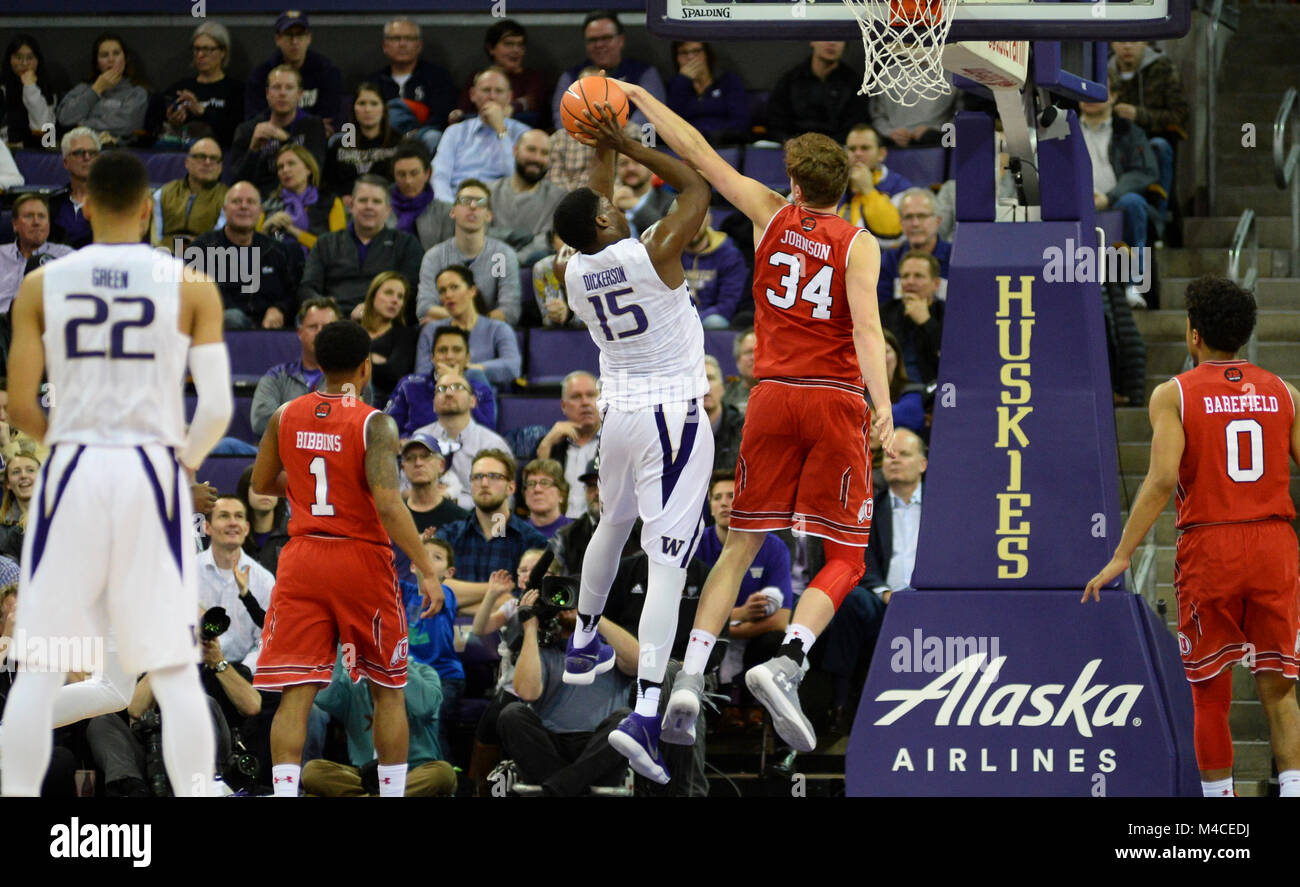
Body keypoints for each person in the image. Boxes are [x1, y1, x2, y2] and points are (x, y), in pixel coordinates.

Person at [617, 80, 896, 754]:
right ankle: (790, 659)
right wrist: (882, 405)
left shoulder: (769, 213)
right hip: (833, 399)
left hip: (770, 395)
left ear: (795, 183)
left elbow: (700, 152)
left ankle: (689, 677)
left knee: (741, 543)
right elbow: (866, 331)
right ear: (844, 189)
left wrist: (638, 98)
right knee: (848, 558)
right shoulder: (860, 244)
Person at [1, 149, 232, 796]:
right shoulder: (190, 282)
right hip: (148, 470)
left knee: (41, 670)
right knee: (175, 668)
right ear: (145, 207)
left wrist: (73, 439)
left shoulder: (43, 284)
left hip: (72, 467)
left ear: (88, 207)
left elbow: (20, 404)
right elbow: (214, 406)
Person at [1084, 276, 1300, 799]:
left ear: (1193, 334)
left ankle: (1220, 814)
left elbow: (1160, 480)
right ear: (1245, 335)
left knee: (1210, 693)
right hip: (1274, 544)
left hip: (1212, 545)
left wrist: (1121, 554)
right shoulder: (1286, 393)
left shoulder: (1173, 394)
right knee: (1279, 691)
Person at [548, 103, 714, 785]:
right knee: (668, 564)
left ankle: (585, 635)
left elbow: (595, 202)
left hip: (617, 416)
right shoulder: (655, 252)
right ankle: (646, 709)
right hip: (670, 415)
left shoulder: (571, 270)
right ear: (608, 221)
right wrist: (633, 146)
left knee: (611, 528)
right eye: (610, 207)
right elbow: (699, 187)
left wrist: (603, 146)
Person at [250, 319, 444, 798]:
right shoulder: (374, 422)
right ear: (364, 367)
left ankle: (283, 792)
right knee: (387, 688)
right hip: (359, 557)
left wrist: (307, 487)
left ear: (317, 362)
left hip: (302, 557)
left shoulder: (284, 414)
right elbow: (387, 502)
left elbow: (260, 484)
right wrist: (426, 567)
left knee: (296, 692)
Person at [499, 591, 639, 797]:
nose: (570, 605)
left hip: (600, 748)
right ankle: (570, 786)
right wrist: (530, 627)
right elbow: (527, 692)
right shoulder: (545, 651)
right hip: (550, 748)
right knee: (511, 714)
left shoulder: (610, 650)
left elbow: (638, 661)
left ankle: (556, 789)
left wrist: (593, 615)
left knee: (627, 718)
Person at [695, 471, 792, 708]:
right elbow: (686, 613)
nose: (725, 503)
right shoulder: (696, 545)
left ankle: (768, 724)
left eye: (732, 495)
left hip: (750, 638)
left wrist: (730, 627)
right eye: (717, 497)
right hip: (705, 639)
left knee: (778, 641)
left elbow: (780, 621)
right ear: (710, 505)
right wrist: (741, 614)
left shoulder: (774, 547)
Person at [301, 651, 456, 797]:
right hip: (364, 775)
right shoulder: (351, 683)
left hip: (415, 771)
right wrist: (342, 647)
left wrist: (392, 659)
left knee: (443, 773)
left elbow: (424, 706)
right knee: (312, 771)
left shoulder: (424, 672)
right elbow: (323, 697)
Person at [1079, 77, 1159, 309]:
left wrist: (1110, 197)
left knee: (1133, 202)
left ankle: (1133, 285)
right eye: (1085, 91)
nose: (1090, 97)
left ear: (1113, 96)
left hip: (1117, 202)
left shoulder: (1129, 132)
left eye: (1098, 90)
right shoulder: (1064, 129)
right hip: (1076, 201)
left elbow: (1145, 171)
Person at [435, 448, 546, 613]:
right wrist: (497, 591)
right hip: (451, 635)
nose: (484, 483)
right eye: (478, 477)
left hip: (507, 635)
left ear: (511, 487)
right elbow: (433, 588)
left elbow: (525, 603)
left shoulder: (533, 542)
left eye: (494, 476)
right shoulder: (449, 535)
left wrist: (456, 603)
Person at [297, 175, 423, 319]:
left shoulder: (406, 244)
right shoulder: (325, 243)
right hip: (333, 321)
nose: (369, 206)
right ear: (351, 206)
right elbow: (307, 288)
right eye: (363, 200)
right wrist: (323, 305)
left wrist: (373, 310)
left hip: (386, 322)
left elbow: (410, 291)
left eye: (376, 201)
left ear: (387, 210)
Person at [190, 181, 302, 330]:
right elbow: (199, 294)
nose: (244, 206)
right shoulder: (203, 248)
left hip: (272, 331)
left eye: (251, 202)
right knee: (232, 318)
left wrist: (280, 309)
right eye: (236, 201)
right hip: (225, 332)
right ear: (225, 210)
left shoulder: (277, 250)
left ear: (260, 211)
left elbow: (294, 292)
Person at [416, 181, 522, 325]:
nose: (473, 206)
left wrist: (470, 322)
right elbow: (424, 307)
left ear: (489, 216)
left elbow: (510, 310)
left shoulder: (502, 255)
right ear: (452, 211)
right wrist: (465, 320)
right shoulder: (434, 256)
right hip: (447, 334)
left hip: (489, 334)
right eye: (465, 201)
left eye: (480, 202)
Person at [401, 535, 465, 761]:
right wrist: (409, 543)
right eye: (422, 555)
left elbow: (434, 588)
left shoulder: (445, 594)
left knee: (433, 725)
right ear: (412, 564)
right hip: (408, 676)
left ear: (448, 573)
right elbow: (378, 574)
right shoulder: (404, 593)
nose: (426, 559)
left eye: (436, 557)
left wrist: (417, 548)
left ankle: (443, 778)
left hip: (444, 676)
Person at [550, 10, 666, 132]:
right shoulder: (570, 77)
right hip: (582, 143)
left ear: (620, 40)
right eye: (593, 40)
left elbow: (651, 113)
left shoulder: (644, 73)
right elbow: (562, 118)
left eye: (606, 38)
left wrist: (614, 137)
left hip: (632, 143)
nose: (599, 45)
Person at [507, 370, 601, 519]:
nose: (585, 402)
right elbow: (526, 500)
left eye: (591, 395)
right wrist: (545, 446)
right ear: (563, 406)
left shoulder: (616, 442)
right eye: (576, 397)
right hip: (557, 529)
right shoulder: (550, 444)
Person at [412, 372, 513, 510]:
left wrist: (451, 500)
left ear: (473, 401)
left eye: (457, 387)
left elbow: (503, 502)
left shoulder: (493, 444)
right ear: (434, 404)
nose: (448, 393)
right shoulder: (420, 437)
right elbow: (403, 489)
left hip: (476, 524)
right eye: (441, 389)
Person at [197, 495, 276, 668]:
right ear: (207, 527)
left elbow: (266, 639)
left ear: (247, 528)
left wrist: (245, 672)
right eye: (224, 516)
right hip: (194, 668)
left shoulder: (264, 580)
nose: (233, 523)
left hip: (243, 671)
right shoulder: (187, 573)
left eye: (239, 516)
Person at [414, 265, 521, 389]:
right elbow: (422, 375)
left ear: (472, 291)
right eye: (442, 291)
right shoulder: (431, 330)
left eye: (454, 287)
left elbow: (512, 367)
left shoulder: (498, 328)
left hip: (482, 396)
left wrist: (469, 368)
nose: (448, 295)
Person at [433, 68, 530, 203]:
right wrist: (447, 206)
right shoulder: (455, 132)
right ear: (472, 94)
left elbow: (518, 180)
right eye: (486, 90)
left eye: (499, 91)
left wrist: (501, 130)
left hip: (499, 205)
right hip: (457, 202)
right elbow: (439, 175)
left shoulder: (524, 134)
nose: (492, 96)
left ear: (509, 97)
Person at [231, 66, 328, 199]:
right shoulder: (247, 130)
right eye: (276, 87)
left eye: (289, 88)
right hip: (260, 200)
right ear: (267, 93)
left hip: (301, 197)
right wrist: (253, 150)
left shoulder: (312, 126)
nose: (282, 93)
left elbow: (315, 171)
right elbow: (238, 181)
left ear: (299, 94)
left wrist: (287, 140)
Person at [250, 297, 340, 437]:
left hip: (330, 454)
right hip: (278, 454)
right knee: (228, 446)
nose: (320, 333)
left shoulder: (349, 377)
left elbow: (354, 423)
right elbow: (260, 421)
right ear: (300, 332)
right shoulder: (277, 375)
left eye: (328, 327)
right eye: (313, 327)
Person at [389, 432, 469, 584]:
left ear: (441, 465)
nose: (418, 462)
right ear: (403, 467)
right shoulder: (393, 516)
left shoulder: (460, 518)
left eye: (426, 456)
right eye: (411, 458)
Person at [388, 324, 497, 433]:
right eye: (442, 350)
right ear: (432, 358)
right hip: (417, 447)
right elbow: (387, 425)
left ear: (467, 358)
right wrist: (401, 441)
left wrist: (458, 385)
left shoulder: (480, 391)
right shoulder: (409, 385)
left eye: (457, 350)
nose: (449, 356)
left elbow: (487, 432)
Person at [245, 11, 342, 127]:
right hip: (272, 139)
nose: (294, 41)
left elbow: (330, 120)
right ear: (277, 39)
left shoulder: (327, 71)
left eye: (300, 35)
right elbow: (254, 121)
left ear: (309, 38)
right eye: (289, 35)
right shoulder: (261, 75)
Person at [158, 21, 245, 149]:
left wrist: (202, 112)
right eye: (197, 49)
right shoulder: (180, 89)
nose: (200, 55)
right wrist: (172, 121)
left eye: (207, 49)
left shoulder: (236, 90)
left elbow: (235, 133)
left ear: (223, 52)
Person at [487, 129, 568, 267]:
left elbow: (545, 242)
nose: (537, 158)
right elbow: (481, 235)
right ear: (515, 150)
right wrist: (510, 235)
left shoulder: (559, 198)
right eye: (531, 150)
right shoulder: (489, 191)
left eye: (544, 153)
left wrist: (510, 262)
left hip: (530, 272)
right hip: (488, 266)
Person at [765, 42, 870, 146]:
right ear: (812, 41)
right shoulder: (790, 80)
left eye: (839, 38)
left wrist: (829, 147)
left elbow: (855, 125)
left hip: (837, 149)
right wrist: (790, 142)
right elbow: (776, 122)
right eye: (826, 36)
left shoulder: (854, 83)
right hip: (796, 148)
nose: (832, 43)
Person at [368, 18, 456, 137]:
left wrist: (414, 134)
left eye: (409, 38)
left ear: (419, 45)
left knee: (432, 136)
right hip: (384, 137)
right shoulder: (374, 81)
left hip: (422, 137)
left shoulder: (438, 77)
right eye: (395, 38)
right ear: (385, 46)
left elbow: (441, 116)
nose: (402, 44)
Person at [455, 20, 549, 130]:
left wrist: (512, 107)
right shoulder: (478, 77)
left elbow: (532, 101)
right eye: (508, 44)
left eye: (520, 45)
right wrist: (457, 115)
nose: (516, 50)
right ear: (491, 48)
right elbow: (463, 110)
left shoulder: (534, 78)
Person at [56, 33, 148, 144]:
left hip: (119, 151)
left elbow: (126, 125)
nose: (111, 59)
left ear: (125, 59)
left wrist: (83, 125)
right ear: (97, 64)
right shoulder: (83, 88)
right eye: (104, 55)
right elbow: (65, 118)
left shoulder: (136, 92)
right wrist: (96, 90)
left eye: (116, 53)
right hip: (82, 148)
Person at [259, 143, 346, 256]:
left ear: (308, 169)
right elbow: (254, 250)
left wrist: (294, 231)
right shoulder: (269, 205)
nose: (285, 170)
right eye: (280, 167)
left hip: (320, 269)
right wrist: (266, 228)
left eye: (291, 164)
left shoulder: (330, 202)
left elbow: (337, 250)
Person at [324, 83, 402, 200]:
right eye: (362, 103)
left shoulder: (398, 144)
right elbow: (328, 184)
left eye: (374, 104)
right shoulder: (339, 145)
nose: (367, 109)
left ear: (384, 109)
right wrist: (340, 198)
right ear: (353, 108)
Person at [666, 41, 750, 146]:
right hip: (685, 146)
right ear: (676, 58)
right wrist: (682, 81)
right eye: (683, 53)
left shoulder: (728, 81)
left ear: (707, 54)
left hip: (723, 144)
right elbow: (670, 122)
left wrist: (711, 136)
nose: (690, 57)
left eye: (696, 51)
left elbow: (740, 121)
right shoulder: (675, 86)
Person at [881, 251, 945, 386]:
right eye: (905, 276)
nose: (910, 281)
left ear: (936, 284)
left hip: (935, 393)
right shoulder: (884, 312)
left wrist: (926, 321)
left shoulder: (949, 313)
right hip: (892, 391)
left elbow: (954, 359)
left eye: (918, 276)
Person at [877, 188, 951, 304]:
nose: (915, 223)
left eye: (922, 216)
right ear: (901, 223)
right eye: (908, 217)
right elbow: (882, 311)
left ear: (938, 221)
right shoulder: (888, 262)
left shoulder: (955, 259)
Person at [1, 194, 72, 313]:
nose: (36, 222)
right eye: (29, 216)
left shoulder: (67, 257)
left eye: (42, 216)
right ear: (15, 225)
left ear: (49, 224)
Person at [152, 138, 228, 248]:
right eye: (201, 157)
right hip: (166, 257)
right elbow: (155, 238)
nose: (207, 162)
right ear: (187, 162)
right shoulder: (162, 194)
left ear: (220, 167)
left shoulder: (229, 198)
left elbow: (220, 240)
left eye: (214, 158)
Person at [838, 124, 908, 241]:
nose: (858, 154)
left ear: (881, 154)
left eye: (865, 148)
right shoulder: (835, 185)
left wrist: (868, 191)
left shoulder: (899, 187)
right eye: (852, 149)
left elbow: (892, 234)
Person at [682, 210, 748, 329]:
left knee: (715, 322)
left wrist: (694, 319)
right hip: (674, 317)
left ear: (709, 220)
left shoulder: (728, 254)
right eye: (686, 221)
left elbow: (727, 305)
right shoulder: (668, 253)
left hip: (708, 318)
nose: (692, 226)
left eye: (698, 220)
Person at [360, 271, 418, 408]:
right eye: (389, 293)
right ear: (373, 294)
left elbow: (393, 373)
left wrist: (364, 360)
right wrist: (374, 359)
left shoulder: (405, 335)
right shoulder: (355, 330)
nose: (395, 300)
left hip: (383, 404)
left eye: (400, 297)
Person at [869, 75, 958, 149]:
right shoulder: (886, 74)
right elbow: (877, 116)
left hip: (937, 145)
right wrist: (889, 132)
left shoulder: (953, 76)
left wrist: (935, 131)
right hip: (892, 144)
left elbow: (961, 115)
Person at [2, 35, 59, 150]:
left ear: (38, 61)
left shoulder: (48, 91)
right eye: (18, 57)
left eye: (30, 58)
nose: (24, 63)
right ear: (10, 59)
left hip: (34, 156)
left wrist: (30, 88)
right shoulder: (2, 89)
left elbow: (47, 139)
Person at [47, 128, 100, 249]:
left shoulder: (114, 202)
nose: (87, 157)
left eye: (92, 153)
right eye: (79, 153)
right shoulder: (53, 203)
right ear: (65, 162)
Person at [237, 466, 290, 575]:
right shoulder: (233, 534)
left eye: (271, 486)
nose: (265, 492)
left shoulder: (292, 535)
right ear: (245, 492)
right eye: (257, 486)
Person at [614, 154, 673, 240]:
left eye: (637, 162)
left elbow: (666, 235)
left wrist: (637, 206)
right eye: (623, 163)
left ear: (651, 168)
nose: (630, 168)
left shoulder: (670, 201)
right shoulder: (608, 202)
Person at [703, 356, 745, 472]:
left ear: (722, 388)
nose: (705, 386)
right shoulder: (679, 428)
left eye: (710, 378)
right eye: (698, 379)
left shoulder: (741, 426)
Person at [882, 329, 926, 435]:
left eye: (886, 351)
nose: (881, 357)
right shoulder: (858, 391)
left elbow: (911, 415)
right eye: (874, 352)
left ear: (897, 356)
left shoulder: (911, 390)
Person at [521, 458, 572, 538]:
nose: (537, 489)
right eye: (531, 484)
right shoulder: (515, 536)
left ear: (561, 494)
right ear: (525, 494)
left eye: (545, 483)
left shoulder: (576, 533)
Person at [722, 328, 756, 416]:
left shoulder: (778, 393)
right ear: (738, 361)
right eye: (748, 352)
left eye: (758, 351)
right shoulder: (726, 394)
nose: (753, 357)